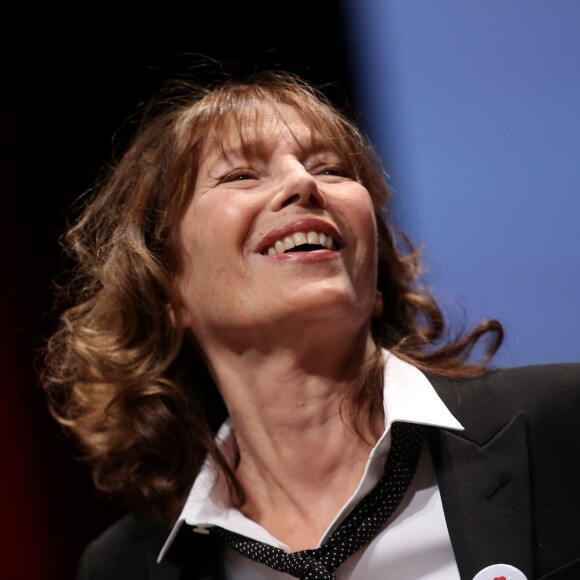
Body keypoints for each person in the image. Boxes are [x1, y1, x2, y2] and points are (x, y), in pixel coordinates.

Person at [40, 70, 580, 580]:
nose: (303, 184)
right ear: (165, 294)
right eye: (241, 174)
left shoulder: (561, 427)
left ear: (375, 283)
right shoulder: (127, 566)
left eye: (331, 169)